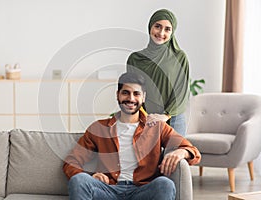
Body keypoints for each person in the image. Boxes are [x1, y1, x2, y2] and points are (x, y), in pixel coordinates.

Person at [63, 72, 201, 200]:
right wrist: (92, 176)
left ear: (143, 97)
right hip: (108, 191)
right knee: (79, 180)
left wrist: (182, 152)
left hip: (142, 191)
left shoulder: (157, 127)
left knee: (165, 184)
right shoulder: (99, 128)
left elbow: (194, 152)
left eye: (136, 94)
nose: (131, 98)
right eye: (125, 93)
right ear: (117, 95)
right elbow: (71, 162)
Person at [126, 9, 190, 136]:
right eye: (157, 26)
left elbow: (181, 91)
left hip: (174, 119)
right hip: (146, 119)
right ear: (150, 27)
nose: (161, 33)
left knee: (174, 155)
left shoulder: (179, 57)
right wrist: (144, 117)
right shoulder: (135, 59)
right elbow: (133, 92)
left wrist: (165, 116)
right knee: (145, 156)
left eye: (167, 29)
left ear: (172, 32)